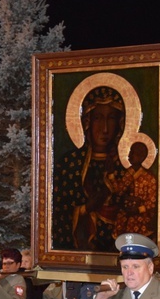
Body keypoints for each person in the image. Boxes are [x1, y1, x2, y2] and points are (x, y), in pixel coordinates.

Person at [52, 86, 127, 251]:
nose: (105, 128)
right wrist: (85, 209)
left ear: (120, 123)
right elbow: (59, 215)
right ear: (87, 122)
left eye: (112, 118)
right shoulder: (69, 164)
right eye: (98, 118)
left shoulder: (124, 166)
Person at [108, 141, 158, 238]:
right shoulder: (128, 174)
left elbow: (152, 202)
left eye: (132, 153)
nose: (129, 155)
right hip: (125, 217)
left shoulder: (149, 178)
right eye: (130, 152)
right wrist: (111, 175)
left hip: (141, 220)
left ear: (141, 157)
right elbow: (119, 190)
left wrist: (138, 209)